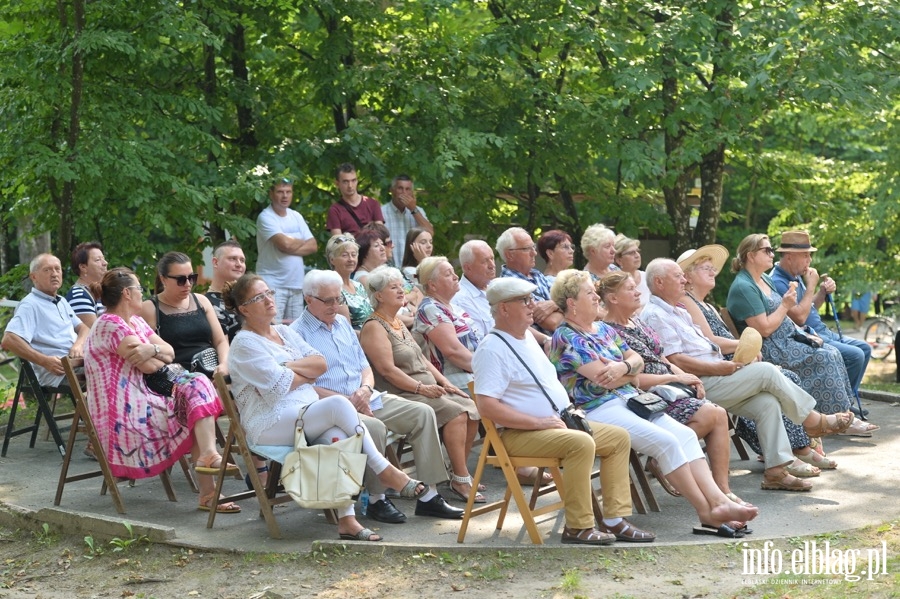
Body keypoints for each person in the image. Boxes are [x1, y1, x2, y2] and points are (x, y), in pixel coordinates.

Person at [550, 269, 758, 536]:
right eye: (589, 293)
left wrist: (624, 367)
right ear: (571, 303)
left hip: (633, 399)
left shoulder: (601, 329)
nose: (595, 296)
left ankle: (718, 501)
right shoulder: (566, 336)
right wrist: (628, 371)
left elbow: (635, 361)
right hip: (599, 408)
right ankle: (708, 511)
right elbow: (605, 382)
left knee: (685, 435)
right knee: (667, 442)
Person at [225, 273, 428, 541]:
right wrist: (300, 372)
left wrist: (288, 368)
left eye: (269, 293)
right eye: (259, 297)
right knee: (337, 404)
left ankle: (347, 520)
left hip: (304, 414)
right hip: (268, 423)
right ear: (244, 309)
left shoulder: (284, 332)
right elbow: (279, 385)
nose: (268, 300)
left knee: (339, 437)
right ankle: (386, 470)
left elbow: (320, 364)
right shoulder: (244, 343)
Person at [641, 258, 852, 492]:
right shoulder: (656, 314)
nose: (684, 279)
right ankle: (813, 421)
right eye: (677, 276)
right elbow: (676, 361)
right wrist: (723, 367)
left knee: (767, 403)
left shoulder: (678, 310)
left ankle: (776, 472)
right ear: (659, 282)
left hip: (716, 374)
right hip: (697, 384)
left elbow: (709, 346)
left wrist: (735, 358)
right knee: (767, 372)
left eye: (683, 275)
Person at [474, 277, 655, 545]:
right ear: (503, 309)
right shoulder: (492, 349)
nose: (531, 305)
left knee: (618, 438)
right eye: (523, 301)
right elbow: (486, 406)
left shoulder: (526, 339)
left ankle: (614, 520)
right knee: (580, 443)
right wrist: (537, 422)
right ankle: (578, 527)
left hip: (556, 423)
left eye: (531, 299)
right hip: (518, 433)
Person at [292, 269, 464, 522]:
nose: (335, 306)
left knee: (422, 413)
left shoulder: (342, 324)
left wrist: (365, 389)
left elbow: (365, 367)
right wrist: (346, 402)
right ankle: (376, 499)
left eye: (339, 299)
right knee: (373, 427)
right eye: (328, 300)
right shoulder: (297, 333)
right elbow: (303, 384)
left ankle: (429, 496)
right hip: (330, 407)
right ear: (309, 299)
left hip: (366, 397)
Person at [85, 267, 239, 514]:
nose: (143, 293)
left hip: (146, 398)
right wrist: (155, 354)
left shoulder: (134, 322)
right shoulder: (109, 324)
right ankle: (209, 486)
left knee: (198, 383)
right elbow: (149, 367)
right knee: (195, 396)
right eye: (139, 289)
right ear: (127, 293)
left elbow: (169, 352)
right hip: (124, 415)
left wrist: (153, 351)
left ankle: (208, 460)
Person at [677, 247, 833, 474]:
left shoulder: (706, 304)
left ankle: (783, 463)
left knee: (771, 396)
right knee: (775, 374)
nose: (713, 272)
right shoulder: (686, 301)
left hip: (727, 367)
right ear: (688, 276)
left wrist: (748, 351)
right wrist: (746, 346)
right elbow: (712, 342)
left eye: (713, 267)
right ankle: (807, 435)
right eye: (706, 268)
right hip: (712, 375)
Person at [599, 270, 746, 501]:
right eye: (630, 289)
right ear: (613, 298)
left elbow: (662, 358)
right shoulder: (608, 332)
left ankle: (722, 490)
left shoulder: (636, 321)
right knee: (715, 414)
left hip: (672, 387)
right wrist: (673, 378)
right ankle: (670, 462)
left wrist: (687, 376)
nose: (638, 292)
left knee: (717, 414)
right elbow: (632, 380)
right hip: (646, 395)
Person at [725, 235, 876, 437]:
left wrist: (803, 332)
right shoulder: (744, 287)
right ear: (751, 256)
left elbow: (795, 316)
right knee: (826, 356)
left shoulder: (764, 280)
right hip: (772, 347)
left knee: (831, 351)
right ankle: (837, 418)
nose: (772, 254)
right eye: (767, 250)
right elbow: (765, 330)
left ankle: (839, 415)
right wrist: (786, 305)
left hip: (788, 339)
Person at [359, 266, 483, 503]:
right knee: (457, 413)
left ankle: (458, 474)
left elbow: (423, 359)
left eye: (401, 286)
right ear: (378, 295)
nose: (401, 290)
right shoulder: (375, 326)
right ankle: (460, 478)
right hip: (402, 393)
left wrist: (446, 383)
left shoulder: (397, 322)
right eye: (392, 287)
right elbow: (387, 370)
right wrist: (422, 388)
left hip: (426, 389)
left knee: (471, 408)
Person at [769, 230, 874, 424]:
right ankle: (838, 408)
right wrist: (811, 286)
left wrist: (822, 292)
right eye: (805, 255)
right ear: (789, 256)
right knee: (855, 355)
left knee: (865, 349)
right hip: (807, 337)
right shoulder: (777, 281)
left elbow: (810, 308)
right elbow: (799, 318)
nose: (809, 260)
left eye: (810, 254)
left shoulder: (796, 274)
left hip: (822, 331)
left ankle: (845, 401)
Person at [2, 254, 89, 387]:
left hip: (78, 364)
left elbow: (84, 328)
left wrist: (78, 345)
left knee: (116, 364)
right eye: (47, 270)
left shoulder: (61, 301)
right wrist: (45, 361)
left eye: (57, 269)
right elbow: (9, 339)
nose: (54, 274)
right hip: (60, 373)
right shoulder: (30, 305)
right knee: (109, 370)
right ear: (34, 277)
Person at [140, 252, 229, 376]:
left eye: (192, 278)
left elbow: (220, 341)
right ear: (163, 279)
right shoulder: (149, 308)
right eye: (181, 280)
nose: (188, 284)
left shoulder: (202, 301)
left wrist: (224, 364)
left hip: (213, 374)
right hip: (178, 382)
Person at [255, 177, 317, 323]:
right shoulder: (266, 217)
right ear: (271, 193)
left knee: (295, 332)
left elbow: (313, 245)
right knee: (273, 327)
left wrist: (290, 244)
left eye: (288, 192)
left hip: (296, 284)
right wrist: (299, 242)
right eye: (280, 192)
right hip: (273, 284)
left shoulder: (296, 216)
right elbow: (284, 245)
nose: (285, 196)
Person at [413, 257, 481, 390]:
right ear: (432, 285)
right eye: (448, 274)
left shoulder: (453, 307)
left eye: (454, 272)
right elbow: (454, 352)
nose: (456, 277)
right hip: (457, 383)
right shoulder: (430, 309)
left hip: (476, 375)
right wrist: (488, 370)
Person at [497, 227, 561, 339]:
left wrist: (555, 304)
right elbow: (552, 323)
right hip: (545, 349)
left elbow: (576, 304)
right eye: (527, 249)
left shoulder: (537, 275)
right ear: (509, 255)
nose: (534, 253)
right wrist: (566, 308)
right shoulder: (509, 285)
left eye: (533, 247)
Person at [382, 174, 433, 265]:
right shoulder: (381, 212)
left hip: (413, 267)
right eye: (400, 188)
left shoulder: (418, 211)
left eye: (407, 189)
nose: (404, 193)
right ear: (392, 190)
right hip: (389, 267)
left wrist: (413, 209)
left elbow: (430, 233)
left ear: (411, 192)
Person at [327, 163, 385, 236]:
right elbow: (338, 241)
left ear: (357, 181)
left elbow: (381, 235)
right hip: (349, 246)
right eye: (345, 182)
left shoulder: (373, 204)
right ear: (337, 184)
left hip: (373, 246)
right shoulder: (335, 210)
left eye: (353, 180)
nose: (350, 186)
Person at [206, 239, 247, 342]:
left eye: (242, 260)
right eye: (233, 259)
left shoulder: (250, 298)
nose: (239, 264)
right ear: (215, 262)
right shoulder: (206, 304)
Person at [453, 240, 496, 338]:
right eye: (485, 261)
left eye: (492, 258)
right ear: (468, 267)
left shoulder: (497, 287)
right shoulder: (461, 300)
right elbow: (478, 342)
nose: (492, 265)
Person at [326, 234, 370, 329]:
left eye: (353, 255)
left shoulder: (359, 286)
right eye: (345, 255)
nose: (351, 259)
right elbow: (347, 331)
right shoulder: (334, 290)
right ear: (332, 259)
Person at [66, 241, 108, 327]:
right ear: (83, 267)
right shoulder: (79, 295)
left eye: (103, 258)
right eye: (98, 260)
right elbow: (93, 334)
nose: (105, 263)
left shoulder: (104, 291)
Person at [613, 234, 649, 308]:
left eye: (638, 251)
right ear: (619, 260)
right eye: (631, 253)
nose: (637, 255)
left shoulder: (648, 277)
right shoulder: (615, 284)